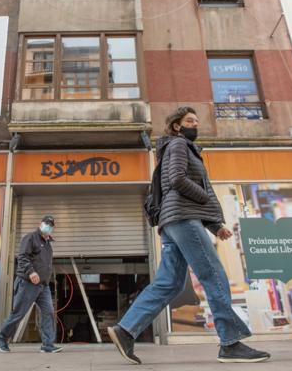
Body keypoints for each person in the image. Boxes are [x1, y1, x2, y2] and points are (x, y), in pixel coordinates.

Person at [108, 107, 271, 364]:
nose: (195, 124)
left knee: (169, 283)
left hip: (174, 221)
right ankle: (230, 343)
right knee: (214, 275)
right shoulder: (178, 145)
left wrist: (215, 224)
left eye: (196, 121)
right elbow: (177, 180)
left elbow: (181, 189)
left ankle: (126, 330)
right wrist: (207, 199)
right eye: (189, 121)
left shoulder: (176, 148)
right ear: (176, 126)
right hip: (183, 219)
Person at [0, 215, 63, 353]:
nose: (48, 226)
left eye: (51, 225)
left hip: (43, 286)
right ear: (41, 223)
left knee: (48, 312)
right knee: (19, 313)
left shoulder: (48, 244)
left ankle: (47, 345)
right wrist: (31, 272)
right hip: (27, 283)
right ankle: (2, 338)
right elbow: (22, 257)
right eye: (46, 223)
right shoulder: (31, 238)